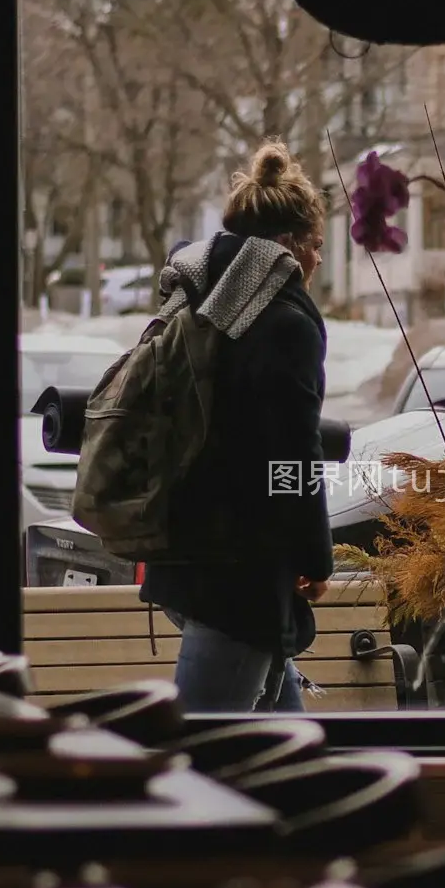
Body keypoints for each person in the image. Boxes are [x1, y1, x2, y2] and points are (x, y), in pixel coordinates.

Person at [140, 139, 332, 713]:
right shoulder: (285, 323)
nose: (318, 261)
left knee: (289, 754)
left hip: (185, 550)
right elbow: (295, 456)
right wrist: (314, 558)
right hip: (239, 576)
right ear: (290, 247)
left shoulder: (198, 297)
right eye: (317, 246)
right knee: (203, 753)